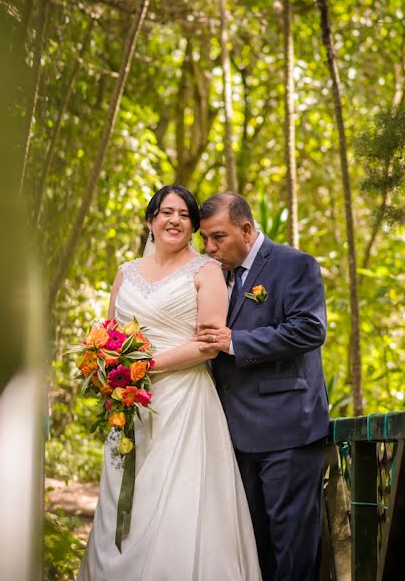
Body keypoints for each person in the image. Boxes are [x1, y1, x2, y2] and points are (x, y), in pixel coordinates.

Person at [77, 185, 261, 580]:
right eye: (165, 212)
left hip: (184, 404)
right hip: (130, 406)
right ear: (150, 221)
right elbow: (109, 332)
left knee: (178, 501)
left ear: (193, 226)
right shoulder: (125, 273)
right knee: (126, 499)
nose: (173, 220)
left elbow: (209, 345)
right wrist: (108, 369)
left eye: (183, 214)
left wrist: (142, 367)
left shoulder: (205, 271)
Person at [196, 192, 330, 581]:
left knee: (293, 548)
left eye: (217, 237)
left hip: (287, 429)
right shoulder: (217, 276)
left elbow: (310, 328)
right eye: (204, 239)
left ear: (247, 229)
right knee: (254, 550)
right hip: (233, 437)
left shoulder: (294, 265)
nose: (210, 248)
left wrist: (234, 342)